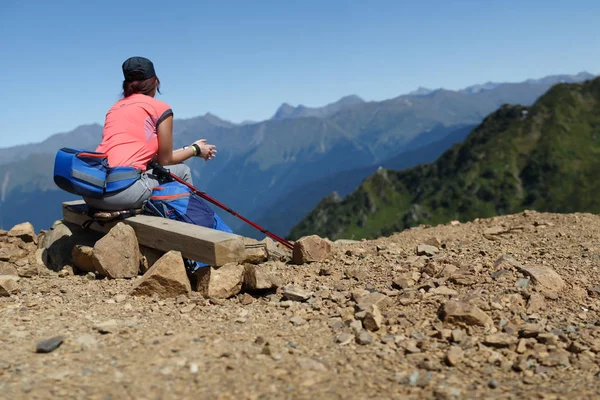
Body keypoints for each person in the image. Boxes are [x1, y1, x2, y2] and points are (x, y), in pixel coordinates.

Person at [84, 56, 216, 211]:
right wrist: (195, 150)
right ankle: (191, 228)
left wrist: (191, 148)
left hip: (92, 192)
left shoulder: (114, 109)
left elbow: (147, 157)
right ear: (154, 82)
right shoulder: (160, 109)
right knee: (182, 171)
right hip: (119, 194)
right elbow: (165, 160)